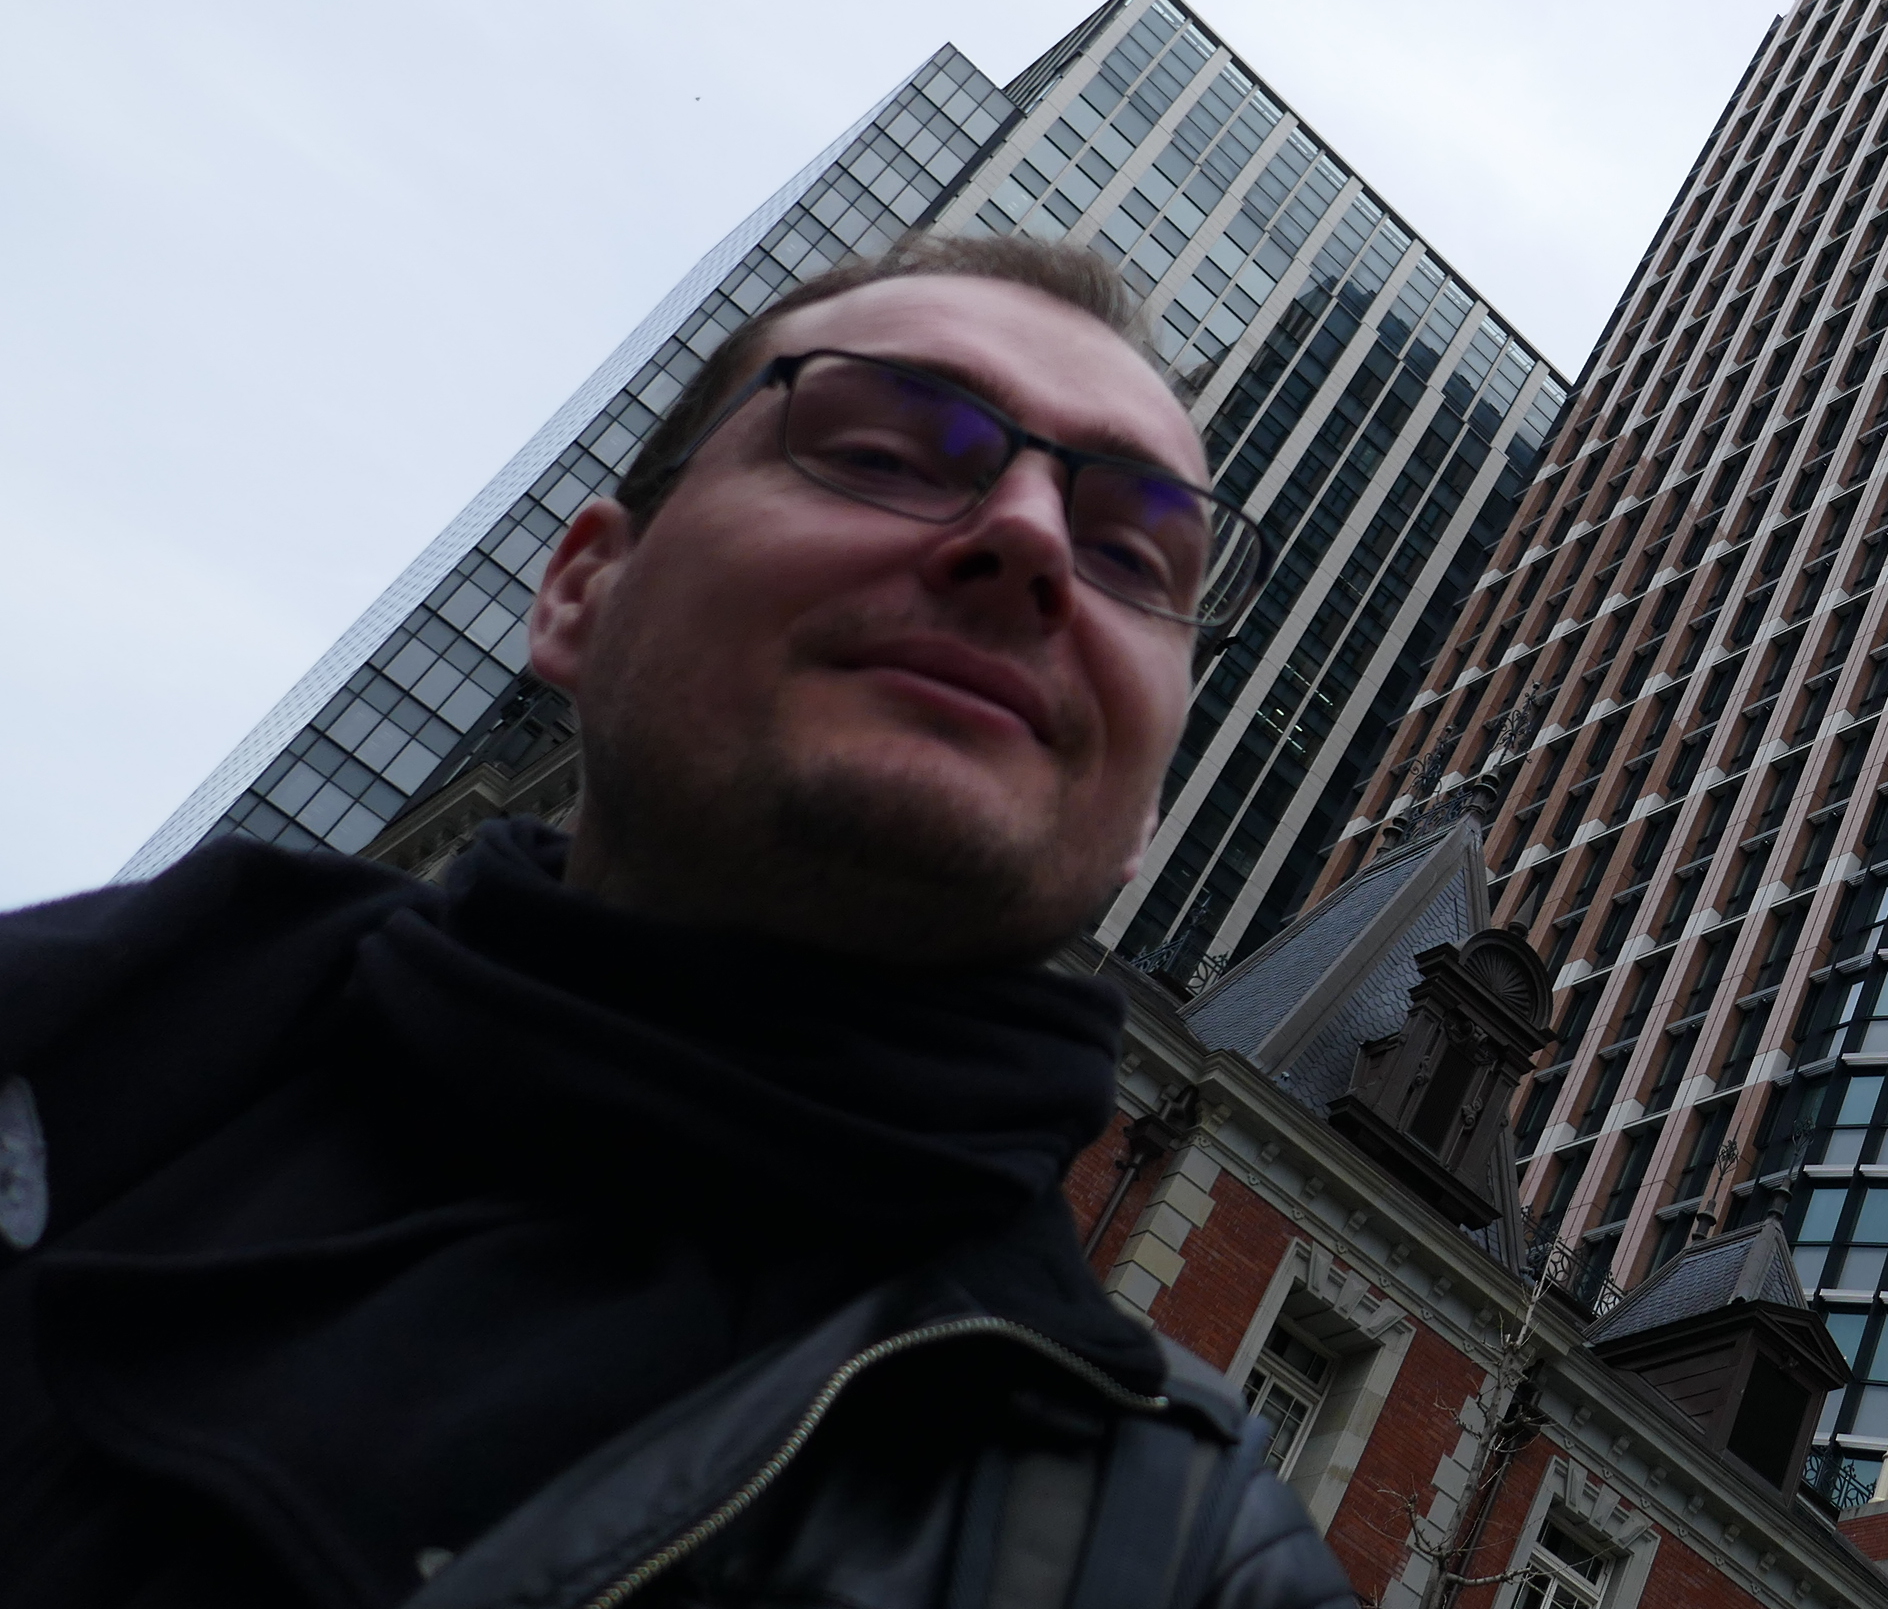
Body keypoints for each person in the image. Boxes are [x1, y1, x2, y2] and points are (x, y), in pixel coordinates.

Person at [0, 236, 1357, 1609]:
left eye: (1129, 550)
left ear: (1144, 812)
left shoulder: (1196, 1566)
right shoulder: (69, 1047)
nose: (1029, 541)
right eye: (881, 453)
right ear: (581, 590)